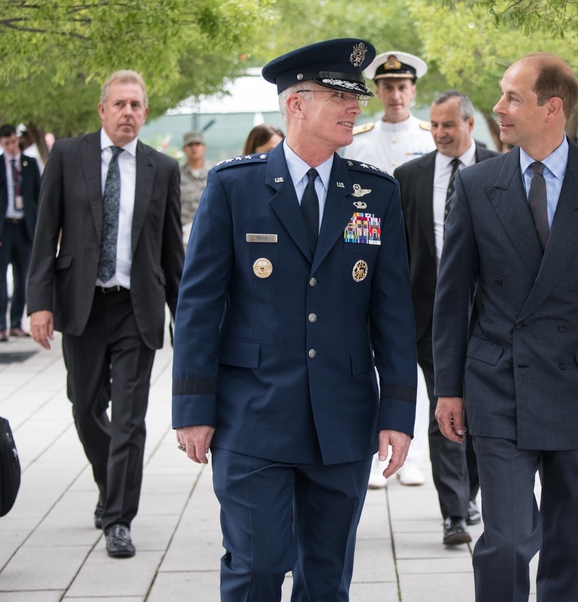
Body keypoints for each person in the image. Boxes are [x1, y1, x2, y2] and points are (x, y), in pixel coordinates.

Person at [172, 38, 419, 601]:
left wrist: (398, 413)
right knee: (257, 567)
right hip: (252, 416)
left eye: (357, 95)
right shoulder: (234, 187)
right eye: (340, 95)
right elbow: (198, 307)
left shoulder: (374, 193)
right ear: (296, 104)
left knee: (327, 577)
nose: (356, 106)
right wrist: (192, 408)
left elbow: (393, 316)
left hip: (343, 421)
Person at [433, 53, 578, 602]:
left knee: (570, 543)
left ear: (552, 108)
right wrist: (449, 387)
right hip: (498, 386)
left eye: (513, 97)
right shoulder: (476, 185)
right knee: (507, 540)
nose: (498, 108)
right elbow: (452, 295)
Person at [27, 70, 184, 558]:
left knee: (131, 420)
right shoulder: (68, 157)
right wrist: (39, 302)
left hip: (136, 308)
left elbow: (171, 251)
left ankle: (119, 518)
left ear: (145, 112)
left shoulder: (163, 167)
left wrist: (187, 318)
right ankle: (108, 481)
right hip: (82, 303)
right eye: (120, 105)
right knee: (84, 406)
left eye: (137, 105)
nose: (128, 113)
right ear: (102, 110)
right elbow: (45, 230)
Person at [393, 90, 496, 545]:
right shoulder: (409, 178)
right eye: (433, 125)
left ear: (470, 125)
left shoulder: (502, 167)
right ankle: (453, 512)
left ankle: (468, 492)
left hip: (490, 317)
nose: (439, 133)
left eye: (448, 125)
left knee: (480, 413)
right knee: (445, 408)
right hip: (430, 317)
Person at [0, 124, 41, 341]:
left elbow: (39, 198)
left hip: (24, 228)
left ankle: (16, 323)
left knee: (23, 277)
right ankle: (0, 325)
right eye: (6, 144)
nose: (11, 147)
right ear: (0, 144)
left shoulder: (30, 164)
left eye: (13, 142)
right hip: (1, 229)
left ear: (18, 140)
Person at [345, 50, 435, 172]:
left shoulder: (431, 137)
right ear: (377, 91)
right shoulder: (357, 140)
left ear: (413, 91)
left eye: (402, 87)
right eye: (388, 88)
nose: (395, 96)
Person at [179, 131, 209, 244]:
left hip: (208, 234)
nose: (194, 148)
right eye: (190, 145)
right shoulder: (177, 175)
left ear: (204, 147)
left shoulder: (213, 174)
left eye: (197, 144)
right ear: (184, 148)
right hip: (184, 238)